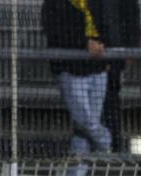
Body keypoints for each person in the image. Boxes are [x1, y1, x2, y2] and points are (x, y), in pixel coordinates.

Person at [41, 0, 111, 155]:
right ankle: (107, 144)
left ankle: (77, 175)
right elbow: (54, 32)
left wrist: (106, 51)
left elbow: (110, 24)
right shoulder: (54, 4)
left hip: (97, 69)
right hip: (71, 70)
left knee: (83, 129)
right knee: (85, 121)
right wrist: (85, 43)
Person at [98, 0, 139, 153]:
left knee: (111, 101)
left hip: (113, 57)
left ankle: (113, 146)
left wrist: (130, 48)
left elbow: (131, 17)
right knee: (96, 105)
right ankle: (102, 144)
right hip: (90, 57)